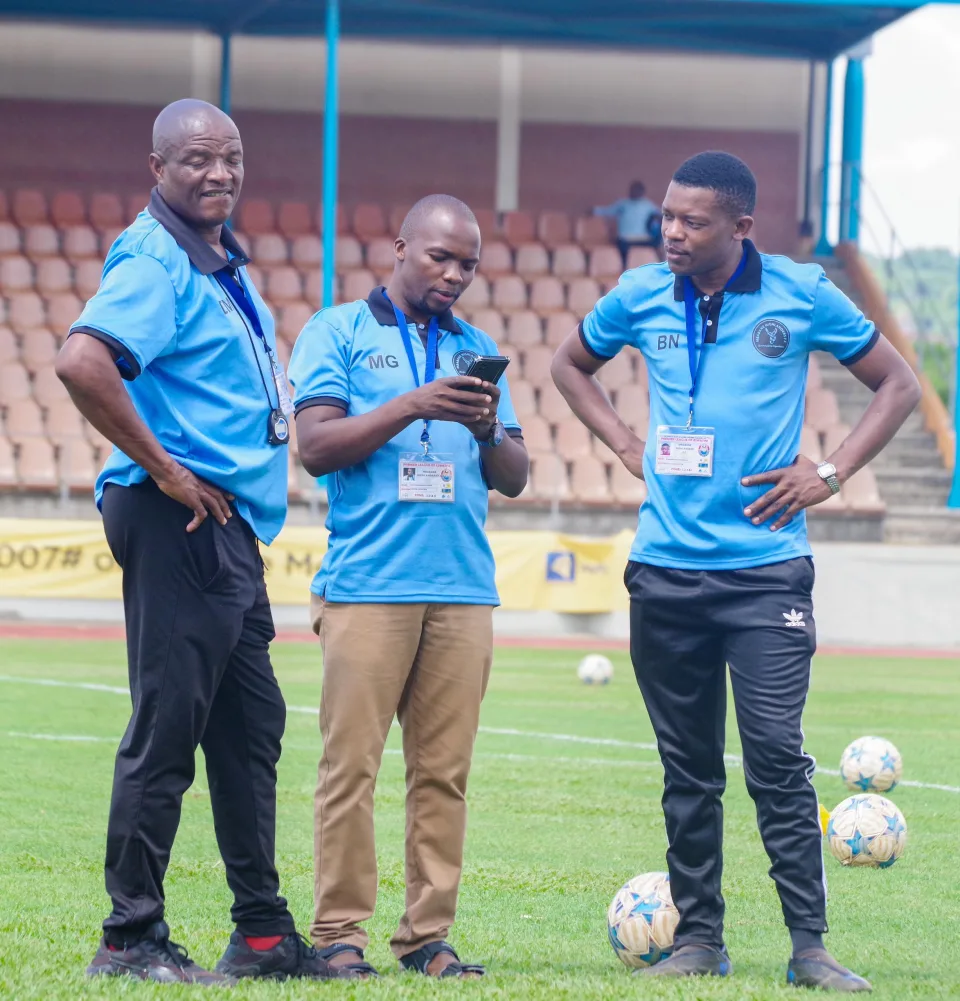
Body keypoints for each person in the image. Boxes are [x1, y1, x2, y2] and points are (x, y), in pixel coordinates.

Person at [552, 151, 920, 992]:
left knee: (776, 758)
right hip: (664, 572)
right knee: (688, 770)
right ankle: (698, 940)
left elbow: (897, 384)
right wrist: (623, 442)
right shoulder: (640, 294)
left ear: (741, 227)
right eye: (667, 218)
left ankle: (810, 947)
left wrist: (829, 472)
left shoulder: (801, 292)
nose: (671, 233)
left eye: (692, 221)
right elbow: (568, 364)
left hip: (766, 573)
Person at [55, 99, 339, 984]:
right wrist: (170, 471)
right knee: (168, 728)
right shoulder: (155, 259)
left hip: (225, 528)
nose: (220, 172)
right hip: (176, 516)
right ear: (158, 168)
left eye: (232, 157)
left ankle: (263, 936)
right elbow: (82, 360)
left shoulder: (213, 259)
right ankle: (129, 938)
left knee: (250, 728)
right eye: (198, 159)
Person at [287, 194, 528, 979]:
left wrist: (486, 426)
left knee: (443, 775)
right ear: (400, 247)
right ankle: (339, 934)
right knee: (350, 769)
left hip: (462, 588)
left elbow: (515, 475)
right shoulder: (338, 331)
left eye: (468, 264)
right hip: (367, 585)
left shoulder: (477, 347)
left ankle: (427, 935)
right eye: (440, 257)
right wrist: (414, 404)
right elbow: (316, 446)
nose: (454, 275)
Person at [593, 180, 662, 266]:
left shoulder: (648, 205)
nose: (635, 192)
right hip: (626, 239)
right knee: (621, 249)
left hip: (643, 239)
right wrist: (595, 210)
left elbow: (661, 214)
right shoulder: (623, 204)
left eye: (638, 190)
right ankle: (624, 267)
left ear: (642, 192)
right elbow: (608, 211)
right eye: (633, 190)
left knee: (659, 242)